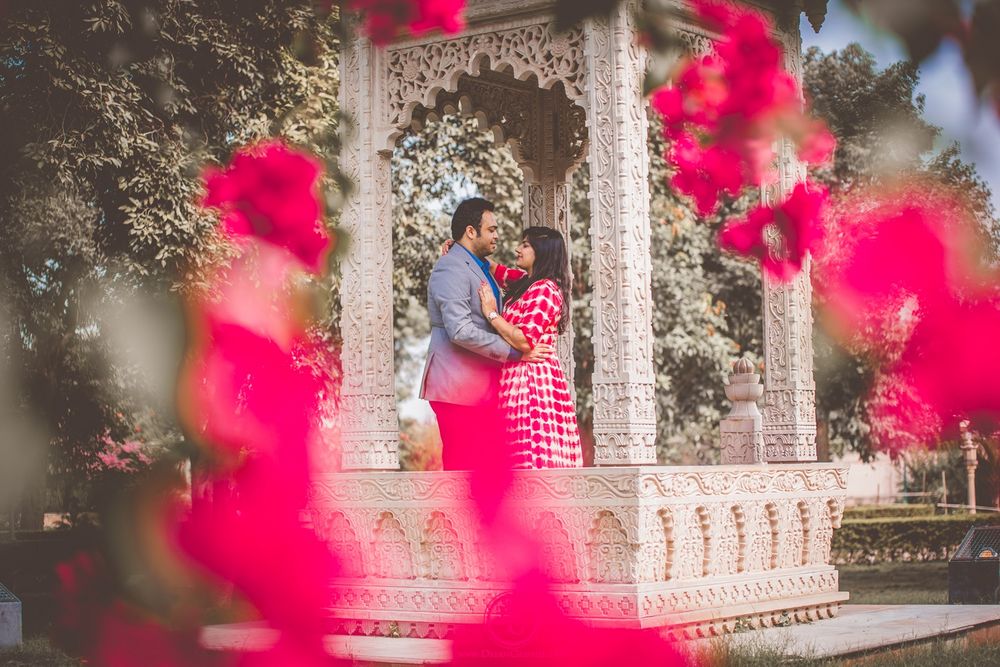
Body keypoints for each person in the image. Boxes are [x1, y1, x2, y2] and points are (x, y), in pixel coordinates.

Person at [419, 198, 552, 471]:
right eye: (491, 229)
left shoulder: (479, 266)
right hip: (457, 389)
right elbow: (461, 331)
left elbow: (527, 280)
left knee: (487, 476)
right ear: (471, 231)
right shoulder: (450, 267)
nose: (497, 235)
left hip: (480, 390)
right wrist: (516, 353)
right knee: (462, 472)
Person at [477, 226, 583, 469]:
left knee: (530, 457)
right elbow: (497, 270)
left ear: (542, 251)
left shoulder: (545, 289)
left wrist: (492, 314)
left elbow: (525, 340)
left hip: (531, 384)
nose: (518, 249)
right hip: (517, 375)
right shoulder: (527, 283)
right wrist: (461, 248)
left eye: (525, 244)